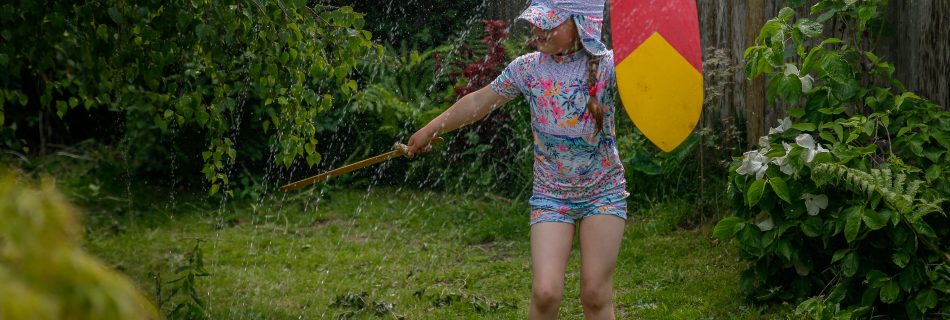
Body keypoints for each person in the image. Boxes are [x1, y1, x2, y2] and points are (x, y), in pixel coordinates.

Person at [406, 0, 627, 318]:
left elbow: (653, 87)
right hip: (551, 196)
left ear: (582, 25)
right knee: (545, 293)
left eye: (549, 23)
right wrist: (430, 129)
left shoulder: (609, 66)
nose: (537, 28)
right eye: (537, 21)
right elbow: (478, 102)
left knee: (595, 294)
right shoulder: (528, 69)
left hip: (603, 193)